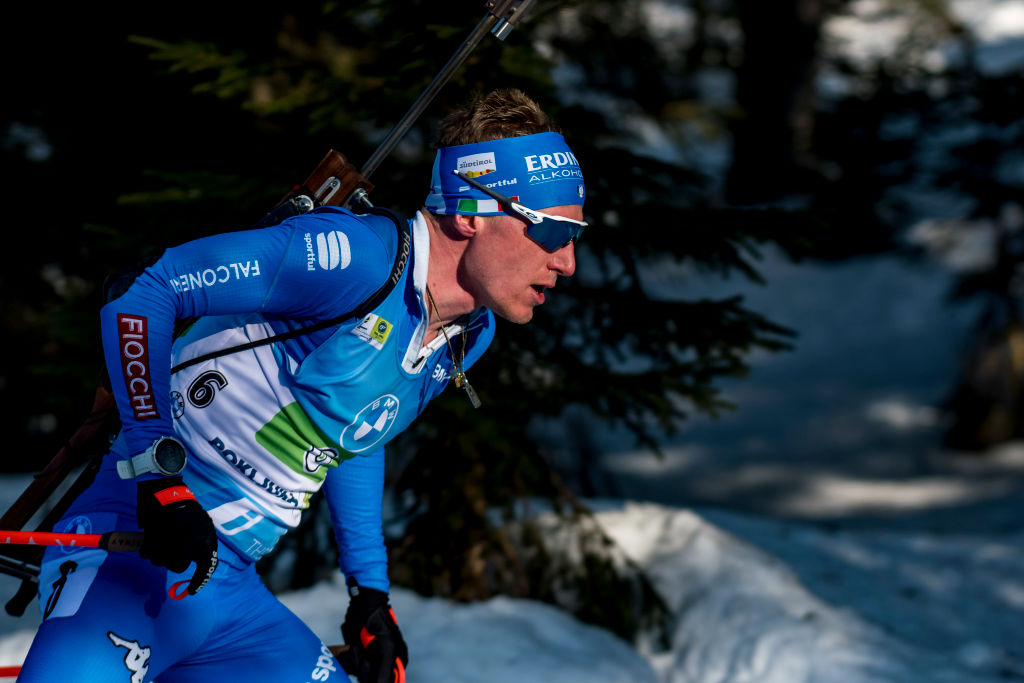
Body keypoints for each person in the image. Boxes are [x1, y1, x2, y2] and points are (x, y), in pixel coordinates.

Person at [18, 88, 586, 683]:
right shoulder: (357, 260)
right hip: (132, 545)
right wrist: (157, 473)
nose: (568, 262)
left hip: (226, 590)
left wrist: (369, 593)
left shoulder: (471, 329)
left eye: (577, 236)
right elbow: (145, 291)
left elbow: (353, 430)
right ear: (472, 212)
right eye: (551, 233)